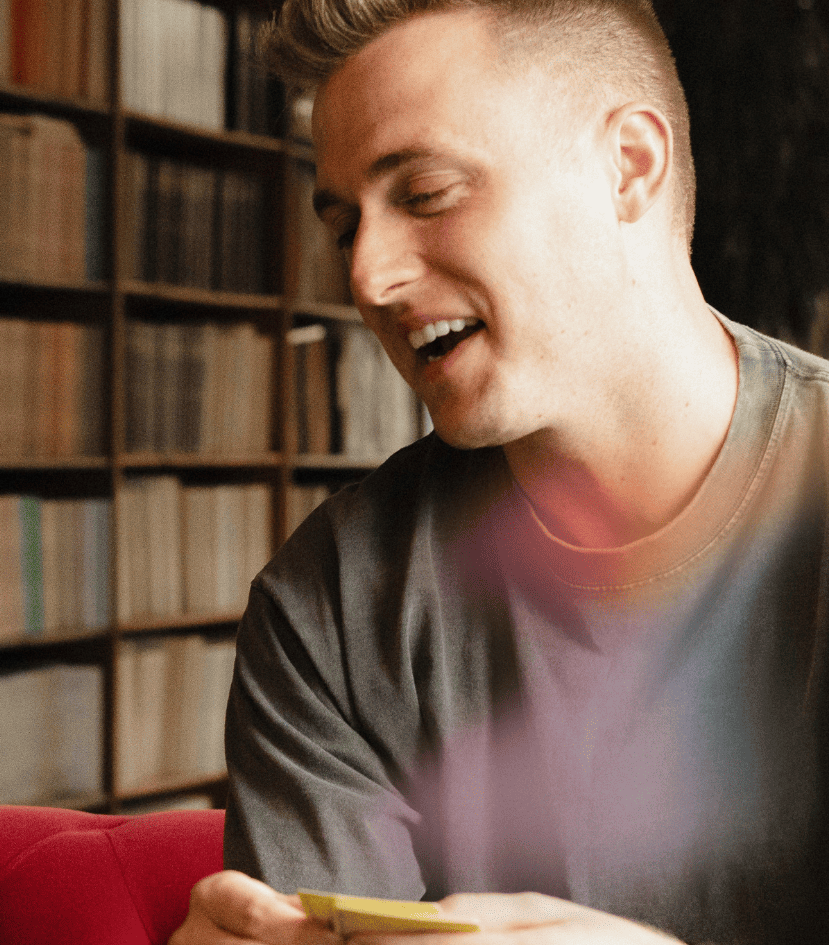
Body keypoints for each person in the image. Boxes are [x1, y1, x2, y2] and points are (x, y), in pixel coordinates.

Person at [170, 1, 829, 943]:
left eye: (427, 193)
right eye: (344, 225)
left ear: (628, 167)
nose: (366, 276)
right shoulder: (329, 604)